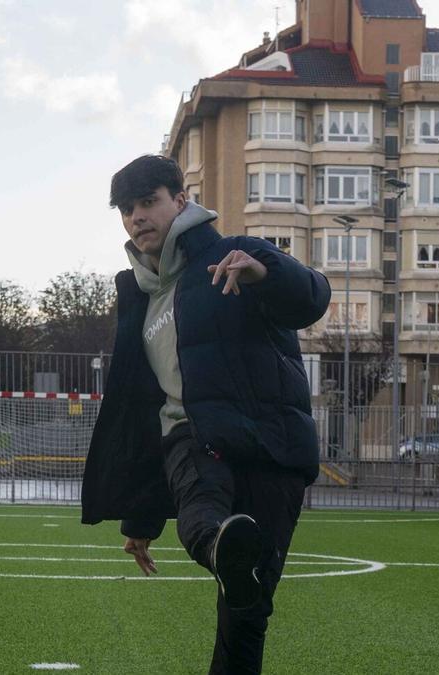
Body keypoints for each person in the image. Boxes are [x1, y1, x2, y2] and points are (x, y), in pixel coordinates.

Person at [81, 154, 330, 674]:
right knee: (204, 509)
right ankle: (221, 546)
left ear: (181, 200)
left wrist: (265, 272)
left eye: (148, 202)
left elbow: (311, 297)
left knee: (248, 607)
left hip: (274, 448)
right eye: (126, 209)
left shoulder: (236, 255)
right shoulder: (139, 301)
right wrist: (142, 517)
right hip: (193, 436)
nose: (137, 218)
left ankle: (230, 556)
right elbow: (141, 411)